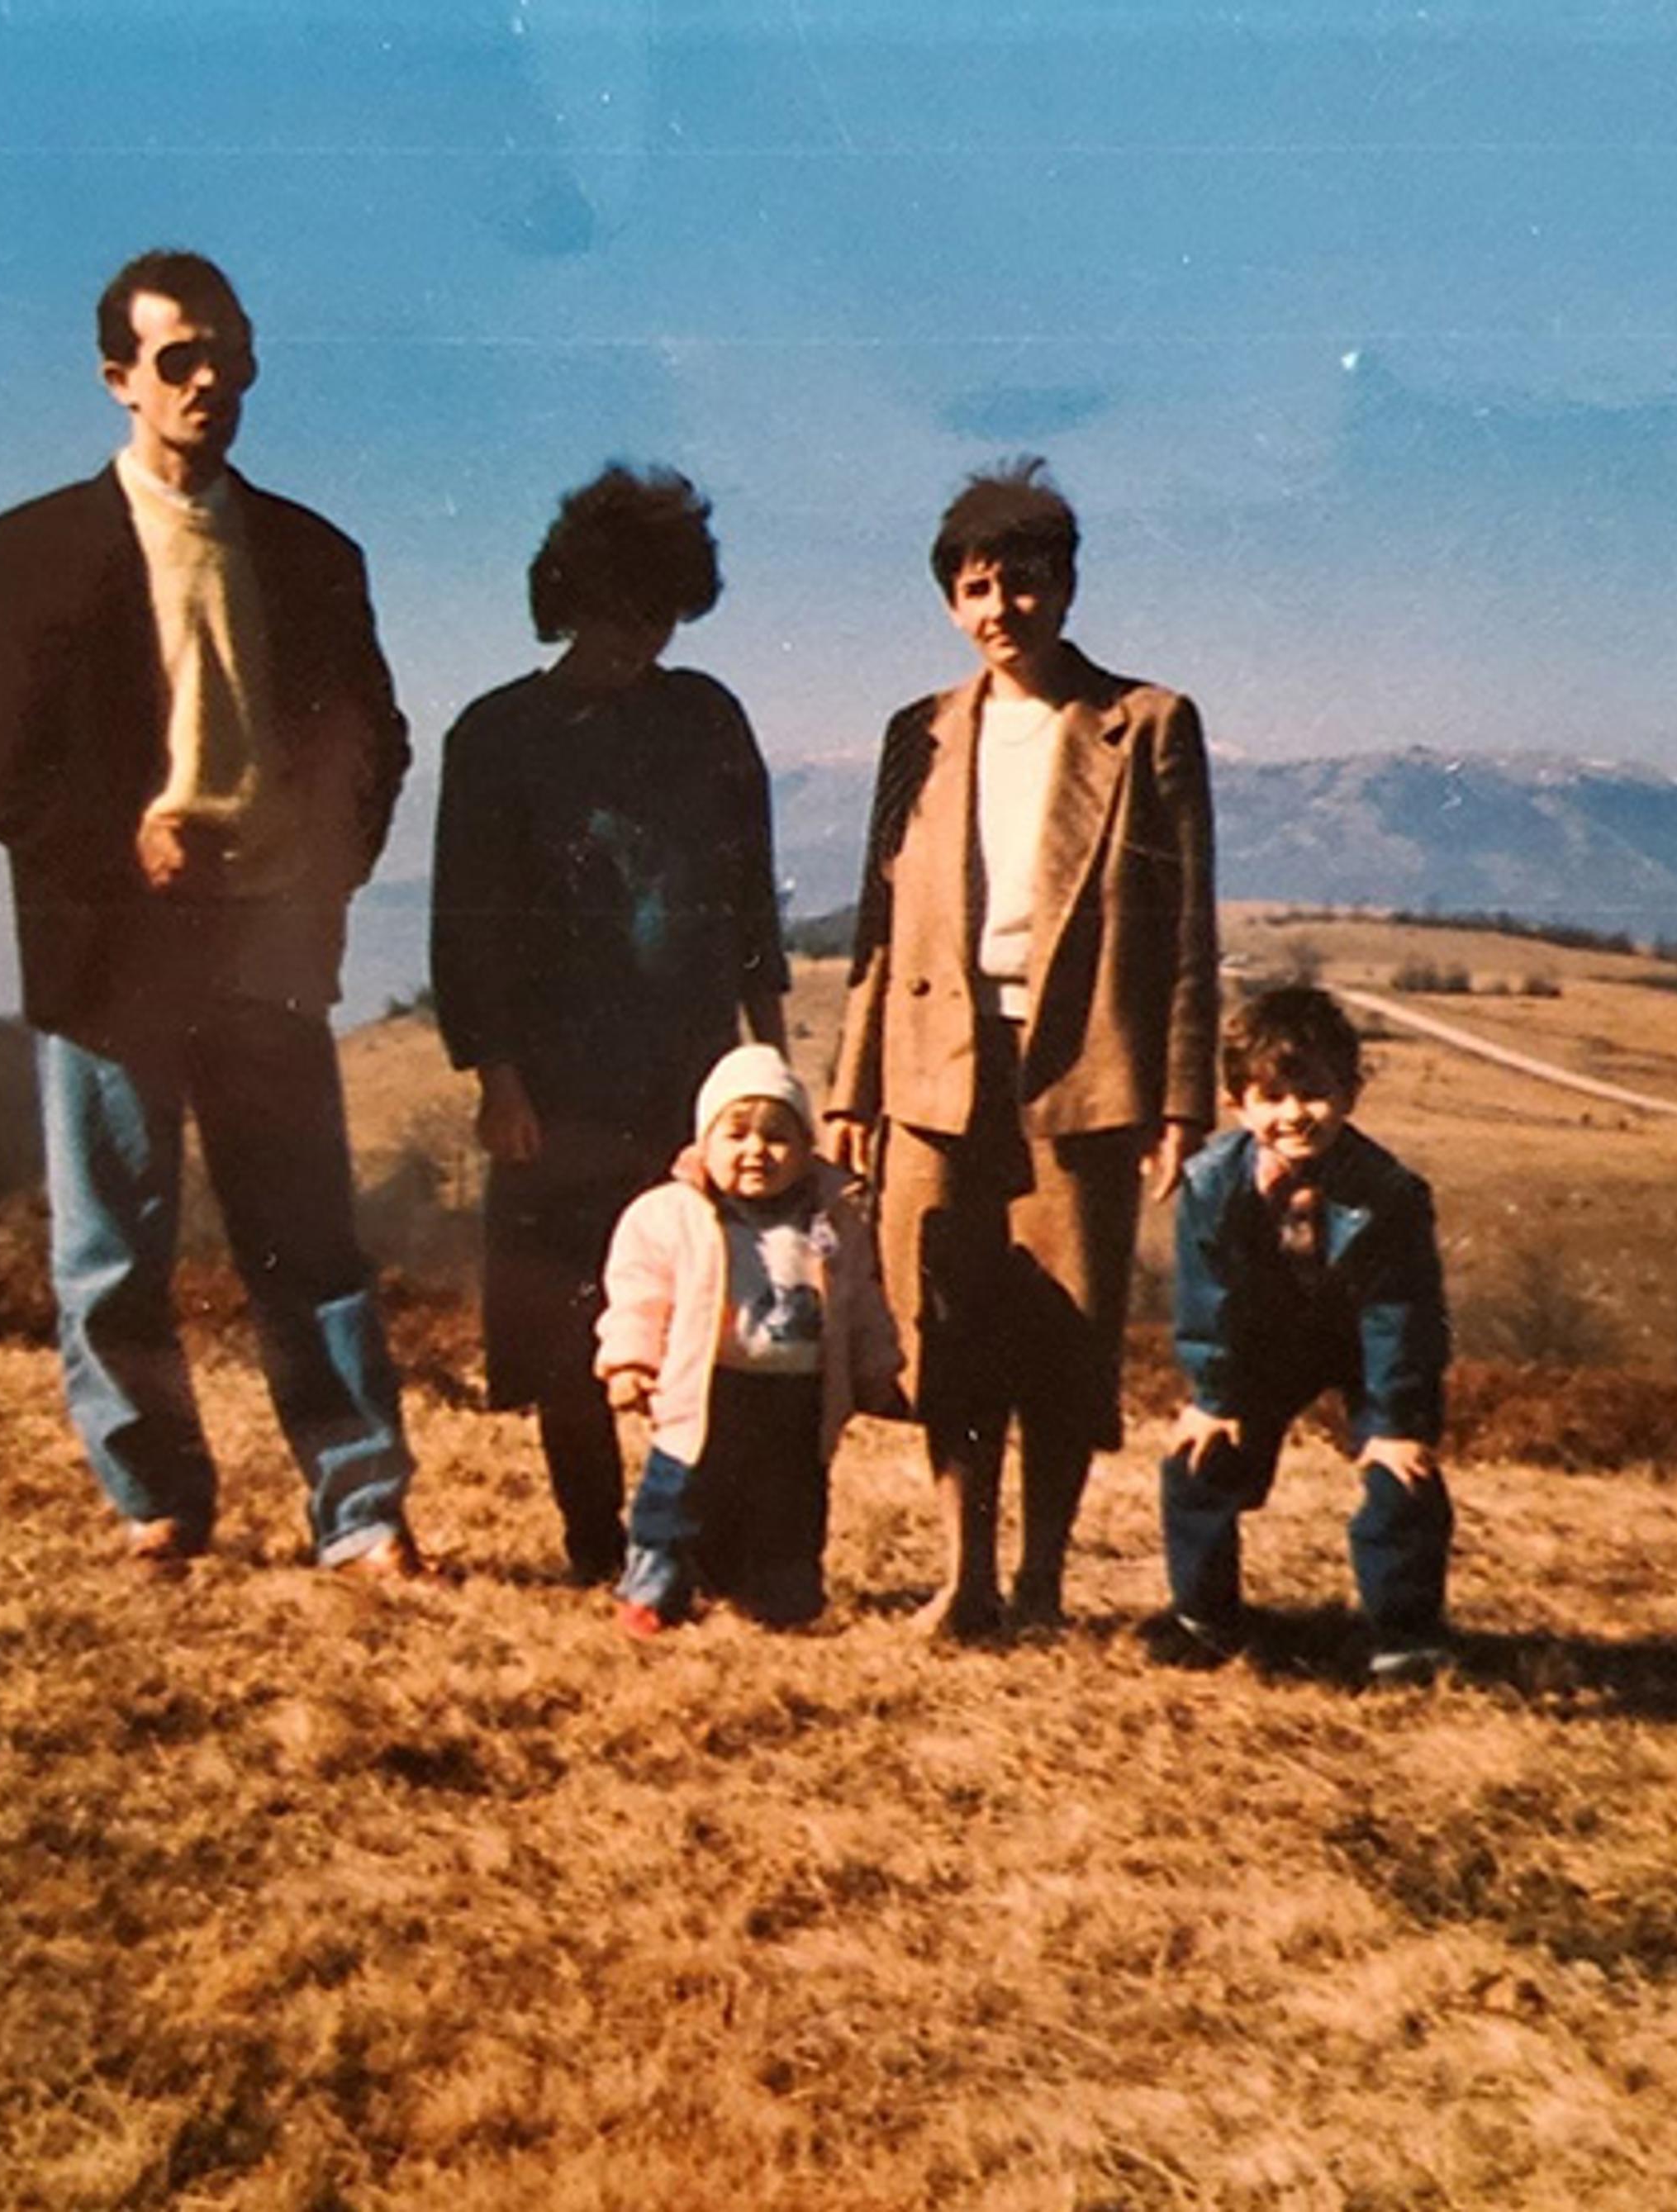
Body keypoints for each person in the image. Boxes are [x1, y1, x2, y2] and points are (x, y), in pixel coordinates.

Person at [0, 247, 432, 1579]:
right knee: (114, 1252)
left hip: (268, 938)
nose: (209, 380)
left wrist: (324, 867)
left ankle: (362, 1509)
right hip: (114, 942)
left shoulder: (315, 553)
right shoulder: (29, 549)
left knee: (310, 1246)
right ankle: (157, 1498)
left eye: (228, 354)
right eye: (176, 359)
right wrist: (116, 838)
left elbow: (377, 738)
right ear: (118, 380)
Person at [824, 458, 1219, 1639]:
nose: (1004, 610)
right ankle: (967, 1579)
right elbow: (875, 925)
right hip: (933, 1070)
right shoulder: (920, 733)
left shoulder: (1147, 723)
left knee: (1063, 1338)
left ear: (1068, 584)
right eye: (979, 587)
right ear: (952, 599)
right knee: (947, 1328)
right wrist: (853, 1089)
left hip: (1082, 1069)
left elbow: (1188, 926)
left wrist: (1181, 1100)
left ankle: (1043, 1582)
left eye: (1027, 582)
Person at [430, 464, 786, 1586]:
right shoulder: (494, 734)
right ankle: (596, 1543)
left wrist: (766, 1051)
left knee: (715, 1305)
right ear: (569, 595)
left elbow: (749, 894)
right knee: (567, 1324)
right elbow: (465, 922)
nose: (642, 635)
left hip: (691, 1074)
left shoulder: (706, 716)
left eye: (663, 612)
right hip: (555, 1081)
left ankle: (708, 1538)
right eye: (621, 607)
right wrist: (497, 1074)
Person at [1154, 985, 1453, 1679]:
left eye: (1314, 1093)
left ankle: (1406, 1637)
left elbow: (1400, 1313)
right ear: (1238, 1105)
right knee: (1197, 1460)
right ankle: (1204, 1618)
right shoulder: (1210, 1185)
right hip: (1264, 1348)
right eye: (1271, 1097)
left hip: (1363, 1347)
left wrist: (1395, 1420)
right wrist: (1216, 1396)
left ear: (1350, 1093)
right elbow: (1208, 1299)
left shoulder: (1390, 1194)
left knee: (1401, 1477)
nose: (1294, 1115)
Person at [595, 1046, 905, 1635]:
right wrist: (630, 1362)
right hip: (705, 1393)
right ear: (704, 1145)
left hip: (796, 1397)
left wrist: (876, 1369)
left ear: (806, 1149)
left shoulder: (833, 1222)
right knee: (677, 1499)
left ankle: (783, 1595)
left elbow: (861, 1300)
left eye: (777, 1137)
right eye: (735, 1135)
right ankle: (654, 1592)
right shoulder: (671, 1215)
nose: (756, 1152)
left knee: (790, 1504)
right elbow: (638, 1292)